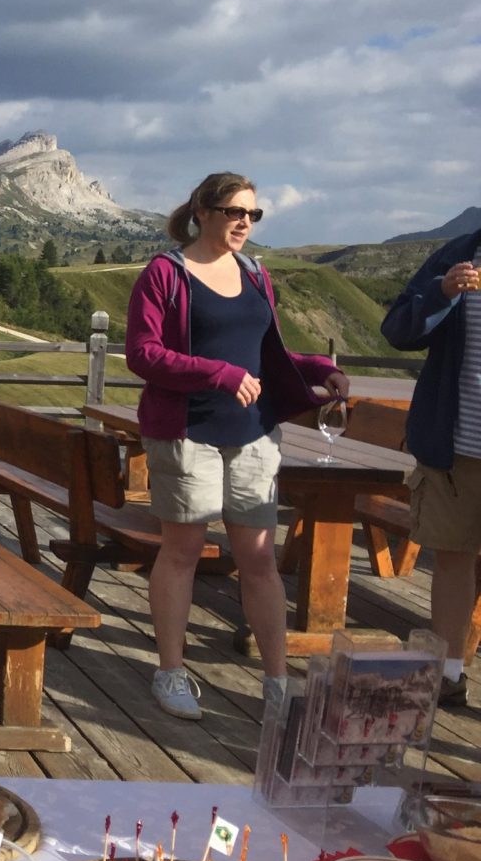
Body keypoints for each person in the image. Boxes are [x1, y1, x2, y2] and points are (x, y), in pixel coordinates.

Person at [125, 172, 348, 719]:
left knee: (260, 558)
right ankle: (171, 672)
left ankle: (277, 681)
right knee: (181, 552)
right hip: (186, 433)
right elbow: (142, 354)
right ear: (203, 211)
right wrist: (217, 374)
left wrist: (320, 367)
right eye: (234, 212)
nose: (245, 222)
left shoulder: (255, 274)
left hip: (253, 434)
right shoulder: (165, 273)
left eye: (253, 214)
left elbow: (265, 352)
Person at [380, 225, 481, 708]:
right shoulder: (458, 254)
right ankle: (449, 674)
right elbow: (397, 330)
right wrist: (441, 293)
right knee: (452, 556)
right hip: (455, 445)